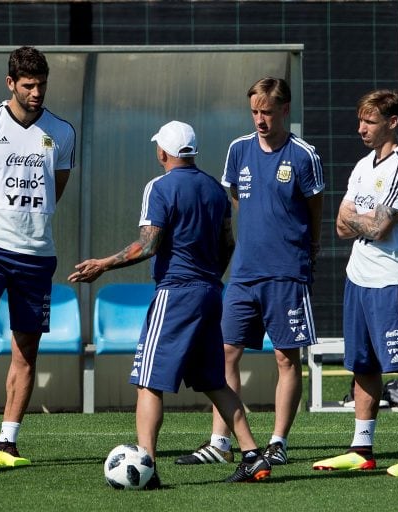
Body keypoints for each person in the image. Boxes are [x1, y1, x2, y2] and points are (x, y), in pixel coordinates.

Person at [68, 120, 272, 487]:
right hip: (211, 293)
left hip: (175, 293)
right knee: (214, 381)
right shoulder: (215, 190)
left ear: (163, 151)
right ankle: (253, 456)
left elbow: (148, 245)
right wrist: (209, 279)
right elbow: (228, 244)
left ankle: (145, 465)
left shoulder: (159, 187)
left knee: (148, 381)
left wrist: (103, 264)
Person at [176, 77, 323, 467]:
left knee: (285, 358)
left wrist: (307, 247)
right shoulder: (238, 150)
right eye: (255, 111)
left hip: (286, 272)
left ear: (285, 110)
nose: (260, 119)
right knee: (224, 352)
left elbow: (315, 208)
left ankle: (278, 442)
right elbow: (237, 200)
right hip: (244, 272)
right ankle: (220, 443)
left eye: (268, 112)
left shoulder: (303, 155)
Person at [0, 46, 76, 470]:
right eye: (28, 85)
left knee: (26, 350)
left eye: (42, 84)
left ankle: (8, 444)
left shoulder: (61, 132)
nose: (37, 92)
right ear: (11, 83)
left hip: (37, 254)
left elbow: (55, 188)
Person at [312, 89, 398, 477]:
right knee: (363, 366)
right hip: (358, 278)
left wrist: (359, 220)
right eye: (361, 120)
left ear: (392, 122)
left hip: (391, 281)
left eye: (370, 121)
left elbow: (381, 228)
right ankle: (362, 449)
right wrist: (361, 221)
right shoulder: (363, 166)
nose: (361, 128)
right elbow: (338, 223)